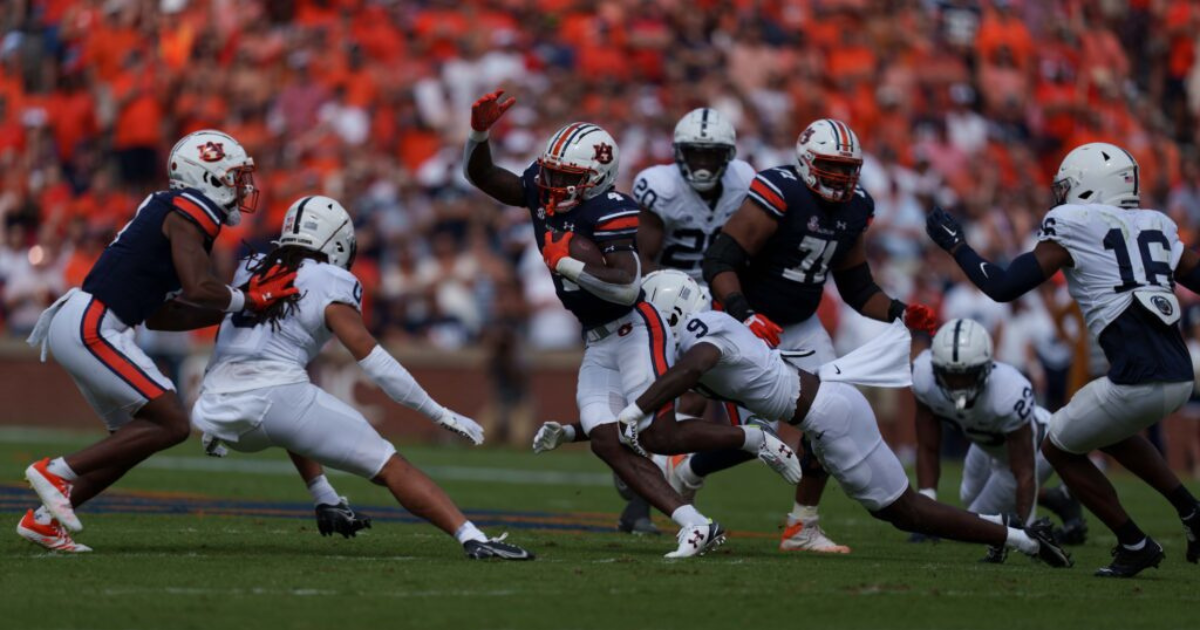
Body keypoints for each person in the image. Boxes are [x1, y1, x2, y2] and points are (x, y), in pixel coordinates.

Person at [464, 89, 800, 558]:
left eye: (568, 176)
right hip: (596, 337)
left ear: (596, 178)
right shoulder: (545, 187)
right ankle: (695, 525)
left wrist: (569, 265)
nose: (553, 183)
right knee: (607, 440)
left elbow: (626, 284)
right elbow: (481, 175)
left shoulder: (611, 208)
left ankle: (753, 437)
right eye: (552, 172)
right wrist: (479, 132)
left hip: (636, 328)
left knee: (654, 434)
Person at [612, 270, 1073, 566]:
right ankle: (800, 528)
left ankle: (1019, 538)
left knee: (907, 512)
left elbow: (693, 370)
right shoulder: (700, 330)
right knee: (885, 495)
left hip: (832, 414)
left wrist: (634, 412)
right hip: (825, 406)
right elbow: (677, 400)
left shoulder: (707, 334)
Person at [190, 196, 531, 560]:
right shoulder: (331, 279)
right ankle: (472, 537)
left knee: (297, 399)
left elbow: (228, 340)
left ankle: (325, 497)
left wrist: (217, 409)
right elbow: (372, 358)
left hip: (214, 404)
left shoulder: (251, 265)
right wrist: (438, 413)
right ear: (335, 241)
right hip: (272, 396)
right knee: (389, 464)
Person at [926, 142, 1200, 577]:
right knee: (1103, 429)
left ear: (1091, 189)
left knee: (1057, 445)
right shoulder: (1157, 223)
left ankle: (1134, 542)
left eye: (1068, 187)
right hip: (1179, 376)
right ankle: (1191, 513)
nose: (1061, 196)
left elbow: (1002, 287)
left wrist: (958, 247)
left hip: (1138, 379)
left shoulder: (1074, 223)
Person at [18, 130, 295, 552]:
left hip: (89, 321)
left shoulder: (174, 215)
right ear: (208, 177)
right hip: (93, 324)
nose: (243, 187)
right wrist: (250, 297)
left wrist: (240, 308)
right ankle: (57, 470)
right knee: (172, 423)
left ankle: (42, 521)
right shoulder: (190, 208)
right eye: (235, 177)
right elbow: (200, 286)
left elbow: (164, 315)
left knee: (130, 440)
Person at [701, 118, 938, 553]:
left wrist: (900, 312)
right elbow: (719, 260)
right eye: (832, 167)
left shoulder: (854, 207)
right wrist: (743, 312)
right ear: (808, 163)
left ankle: (802, 525)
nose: (843, 178)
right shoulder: (780, 190)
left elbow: (858, 288)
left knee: (832, 416)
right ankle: (688, 469)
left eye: (849, 169)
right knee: (761, 433)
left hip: (802, 325)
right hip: (744, 318)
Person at [614, 107, 754, 534]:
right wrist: (651, 312)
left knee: (730, 407)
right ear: (679, 154)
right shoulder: (659, 187)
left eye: (712, 156)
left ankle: (649, 487)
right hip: (668, 296)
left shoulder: (746, 183)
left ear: (727, 156)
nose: (703, 164)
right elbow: (646, 256)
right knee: (681, 399)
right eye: (695, 154)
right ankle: (641, 498)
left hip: (722, 298)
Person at [910, 318, 1087, 562]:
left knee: (972, 522)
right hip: (985, 442)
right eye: (951, 376)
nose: (958, 386)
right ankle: (1057, 498)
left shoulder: (1008, 392)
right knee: (967, 498)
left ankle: (1045, 510)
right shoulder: (924, 377)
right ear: (936, 369)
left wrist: (1028, 533)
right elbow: (928, 446)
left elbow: (1024, 472)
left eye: (966, 376)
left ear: (985, 368)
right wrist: (925, 508)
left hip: (1036, 447)